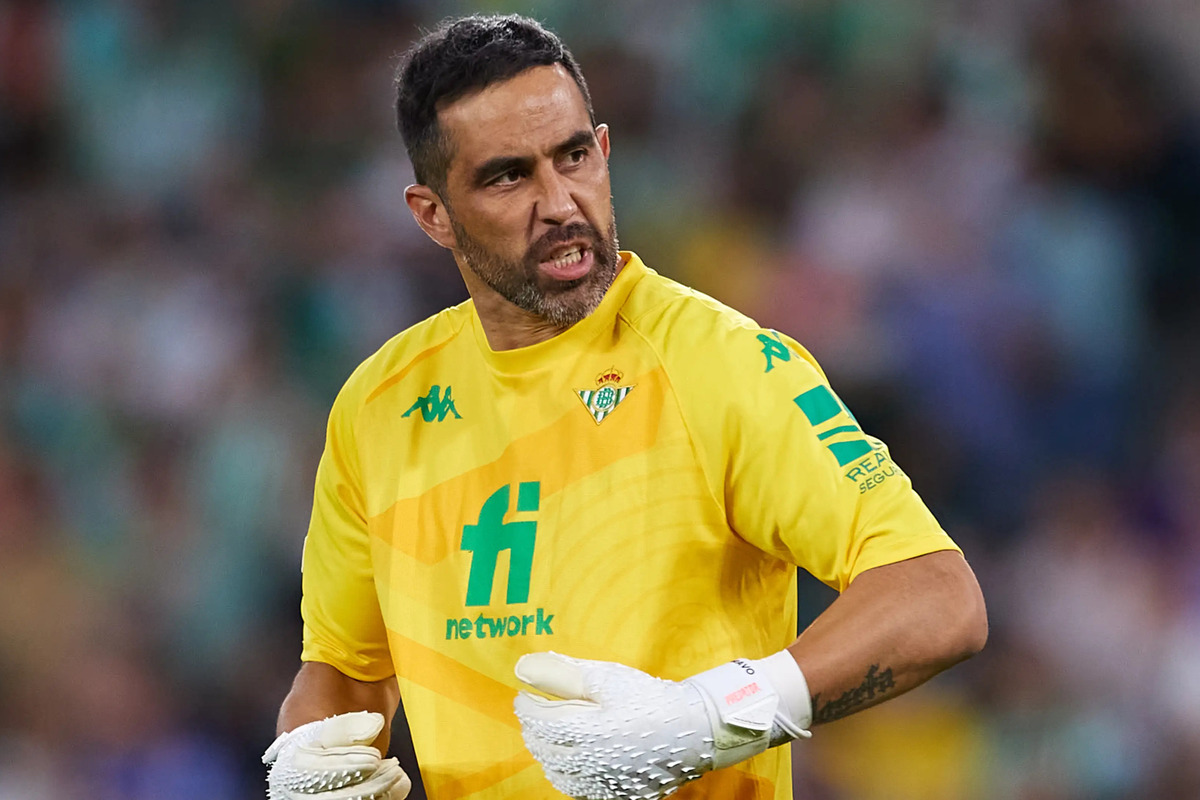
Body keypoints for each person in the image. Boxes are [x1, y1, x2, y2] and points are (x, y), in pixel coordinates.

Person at [262, 13, 988, 800]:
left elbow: (939, 600)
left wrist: (709, 718)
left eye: (573, 157)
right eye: (509, 176)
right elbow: (344, 668)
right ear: (432, 213)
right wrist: (310, 760)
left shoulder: (718, 363)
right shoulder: (378, 404)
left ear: (604, 152)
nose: (560, 203)